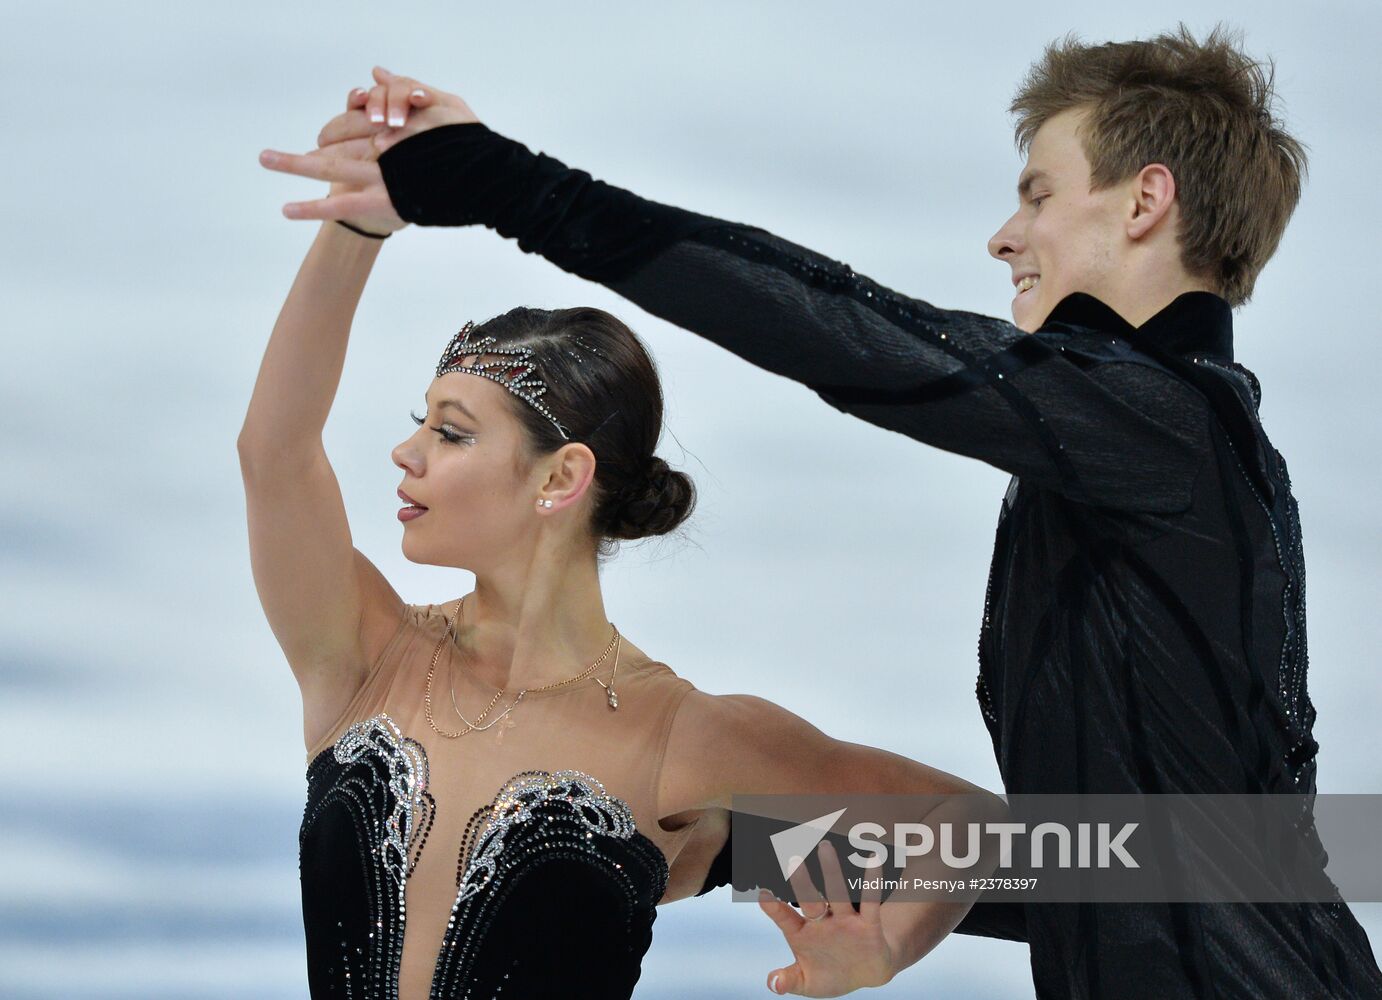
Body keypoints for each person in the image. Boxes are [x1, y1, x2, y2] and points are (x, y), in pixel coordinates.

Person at [260, 20, 1382, 1000]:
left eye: (1037, 191)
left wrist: (503, 185)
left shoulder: (1162, 426)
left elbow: (843, 332)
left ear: (1145, 200)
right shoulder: (1120, 467)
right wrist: (739, 852)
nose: (1003, 235)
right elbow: (1147, 861)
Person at [237, 199, 1006, 993]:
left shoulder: (683, 739)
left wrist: (888, 951)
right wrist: (357, 228)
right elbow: (274, 453)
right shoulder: (366, 654)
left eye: (451, 432)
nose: (407, 451)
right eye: (420, 423)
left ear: (561, 477)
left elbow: (1003, 838)